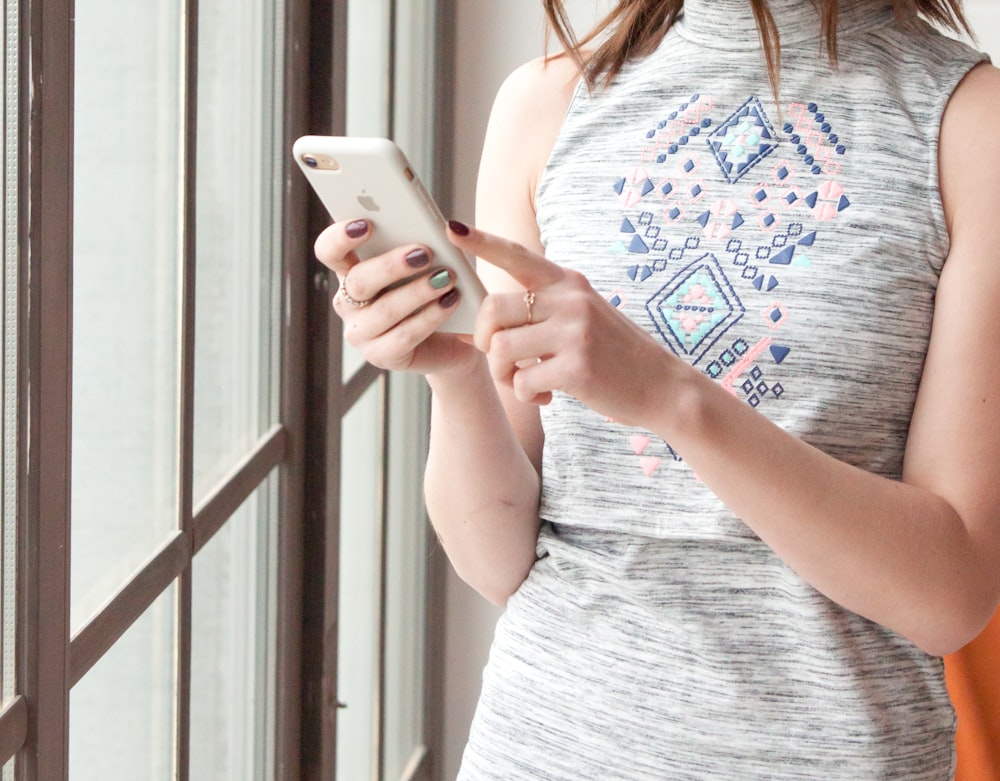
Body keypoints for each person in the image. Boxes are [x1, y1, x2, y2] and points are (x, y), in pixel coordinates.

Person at [315, 0, 1000, 777]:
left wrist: (670, 398)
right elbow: (496, 561)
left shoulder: (971, 127)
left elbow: (951, 596)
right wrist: (457, 370)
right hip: (539, 745)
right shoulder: (544, 105)